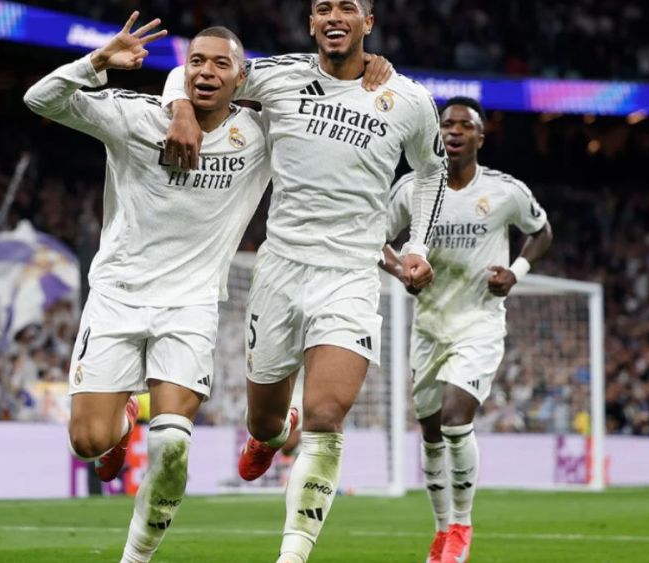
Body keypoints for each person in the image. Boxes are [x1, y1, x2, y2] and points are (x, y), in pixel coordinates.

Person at [161, 1, 447, 561]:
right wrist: (181, 110)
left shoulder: (408, 99)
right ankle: (272, 434)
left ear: (368, 23)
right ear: (312, 23)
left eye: (347, 7)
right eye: (323, 8)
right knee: (265, 420)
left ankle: (293, 552)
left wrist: (417, 247)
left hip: (351, 275)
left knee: (325, 417)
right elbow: (193, 70)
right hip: (280, 270)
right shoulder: (277, 75)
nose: (334, 16)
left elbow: (432, 171)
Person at [24, 14, 274, 563]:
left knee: (173, 446)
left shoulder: (261, 135)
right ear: (183, 71)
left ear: (242, 78)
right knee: (88, 442)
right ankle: (123, 421)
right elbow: (39, 99)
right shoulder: (135, 118)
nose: (206, 72)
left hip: (191, 304)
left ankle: (134, 558)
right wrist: (97, 61)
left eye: (221, 64)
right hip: (117, 296)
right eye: (196, 62)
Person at [383, 96, 553, 563]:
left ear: (481, 136)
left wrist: (516, 271)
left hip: (479, 322)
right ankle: (441, 530)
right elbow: (375, 236)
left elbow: (541, 231)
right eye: (446, 124)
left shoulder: (504, 191)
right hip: (428, 325)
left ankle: (461, 524)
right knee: (430, 432)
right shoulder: (412, 189)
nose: (453, 131)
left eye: (464, 125)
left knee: (456, 419)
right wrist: (401, 271)